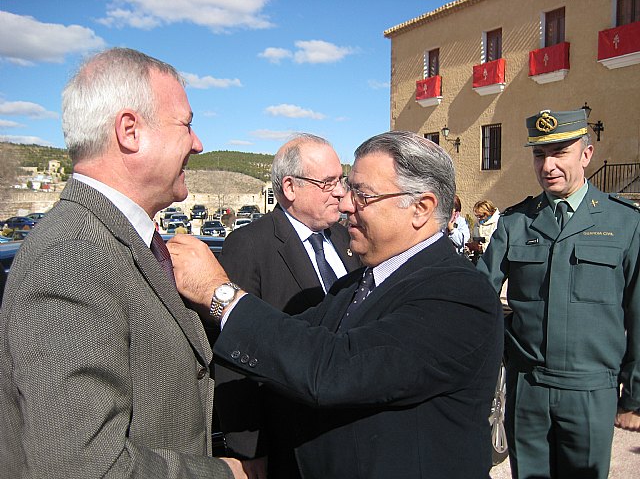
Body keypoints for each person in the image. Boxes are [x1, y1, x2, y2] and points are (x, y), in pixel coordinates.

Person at [169, 130, 504, 479]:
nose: (345, 204)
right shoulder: (356, 284)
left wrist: (220, 293)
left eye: (363, 195)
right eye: (348, 189)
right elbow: (292, 344)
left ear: (420, 208)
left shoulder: (460, 295)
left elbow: (332, 369)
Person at [0, 48, 244, 479]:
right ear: (130, 131)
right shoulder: (72, 257)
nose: (198, 143)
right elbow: (84, 466)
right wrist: (223, 474)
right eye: (187, 124)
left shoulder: (116, 241)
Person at [477, 108, 640, 479]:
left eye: (559, 153)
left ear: (586, 155)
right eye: (539, 154)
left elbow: (638, 312)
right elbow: (478, 299)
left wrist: (634, 395)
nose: (548, 165)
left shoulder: (624, 222)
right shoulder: (516, 222)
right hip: (527, 386)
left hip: (590, 388)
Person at [213, 133, 361, 477]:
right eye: (328, 183)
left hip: (349, 434)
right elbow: (234, 353)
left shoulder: (346, 239)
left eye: (341, 180)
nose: (341, 192)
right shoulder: (249, 245)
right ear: (290, 187)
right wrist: (249, 450)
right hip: (290, 444)